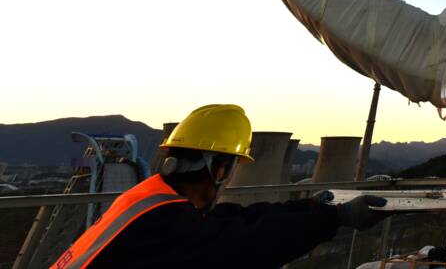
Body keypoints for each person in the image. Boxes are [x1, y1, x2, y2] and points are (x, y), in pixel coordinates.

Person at [53, 104, 390, 269]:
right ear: (218, 168)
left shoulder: (150, 198)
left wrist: (312, 207)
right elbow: (249, 246)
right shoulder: (170, 222)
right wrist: (336, 219)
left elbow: (236, 220)